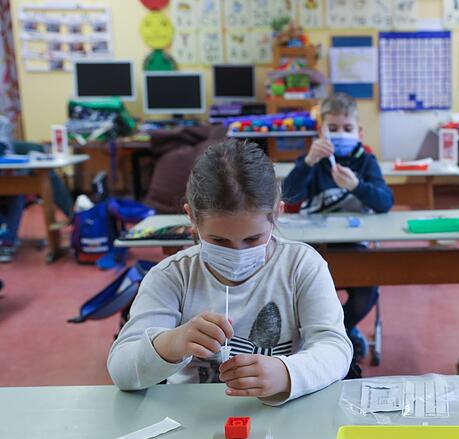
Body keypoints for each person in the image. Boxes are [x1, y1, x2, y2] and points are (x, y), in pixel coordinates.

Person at [107, 140, 352, 405]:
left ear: (277, 214)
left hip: (277, 418)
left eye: (253, 239)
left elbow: (336, 349)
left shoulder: (301, 265)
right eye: (220, 241)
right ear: (191, 218)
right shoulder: (172, 276)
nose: (237, 252)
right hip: (192, 419)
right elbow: (121, 370)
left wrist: (286, 373)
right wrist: (172, 343)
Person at [282, 93, 393, 361]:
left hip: (354, 247)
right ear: (321, 132)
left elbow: (385, 202)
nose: (340, 134)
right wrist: (307, 162)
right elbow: (289, 195)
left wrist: (357, 186)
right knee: (302, 294)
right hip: (316, 249)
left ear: (360, 132)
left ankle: (340, 332)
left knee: (366, 293)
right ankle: (324, 336)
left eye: (347, 128)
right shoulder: (313, 161)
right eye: (332, 129)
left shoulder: (366, 160)